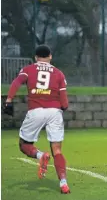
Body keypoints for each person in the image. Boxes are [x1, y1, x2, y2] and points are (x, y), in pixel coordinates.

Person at [3, 45, 70, 194]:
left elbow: (16, 83)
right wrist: (62, 107)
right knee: (57, 150)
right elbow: (64, 102)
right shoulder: (59, 73)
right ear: (50, 56)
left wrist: (8, 100)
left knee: (24, 144)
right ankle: (64, 183)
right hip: (54, 111)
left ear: (35, 57)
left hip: (36, 110)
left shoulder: (28, 70)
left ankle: (41, 155)